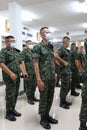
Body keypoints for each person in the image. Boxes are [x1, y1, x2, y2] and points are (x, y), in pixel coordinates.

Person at [33, 27, 58, 129]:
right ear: (42, 35)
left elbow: (52, 61)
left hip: (51, 77)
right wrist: (38, 79)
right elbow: (35, 63)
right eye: (47, 32)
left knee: (50, 98)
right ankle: (43, 118)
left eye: (50, 32)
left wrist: (55, 74)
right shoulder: (38, 47)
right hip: (43, 78)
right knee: (43, 99)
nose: (49, 33)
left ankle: (47, 115)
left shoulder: (51, 47)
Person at [0, 35, 27, 121]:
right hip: (9, 77)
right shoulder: (4, 51)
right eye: (11, 41)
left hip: (17, 76)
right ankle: (8, 113)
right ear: (6, 42)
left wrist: (24, 72)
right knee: (10, 94)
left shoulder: (16, 52)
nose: (13, 42)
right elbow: (1, 63)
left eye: (13, 41)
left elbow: (20, 63)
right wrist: (11, 73)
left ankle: (13, 109)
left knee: (15, 93)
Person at [54, 36, 72, 109]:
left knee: (67, 86)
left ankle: (64, 100)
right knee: (64, 87)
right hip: (64, 72)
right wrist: (63, 62)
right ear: (66, 42)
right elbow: (55, 56)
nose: (69, 43)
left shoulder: (65, 50)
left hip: (67, 71)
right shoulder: (61, 49)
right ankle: (62, 103)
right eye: (69, 42)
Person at [20, 40, 39, 105]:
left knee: (34, 85)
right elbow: (22, 62)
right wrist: (24, 72)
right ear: (26, 44)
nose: (30, 45)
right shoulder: (23, 52)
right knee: (28, 85)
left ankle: (33, 96)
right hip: (28, 72)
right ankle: (29, 98)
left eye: (31, 43)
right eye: (29, 43)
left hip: (34, 72)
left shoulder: (33, 52)